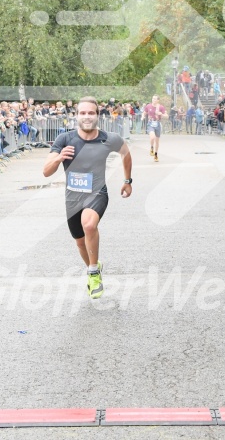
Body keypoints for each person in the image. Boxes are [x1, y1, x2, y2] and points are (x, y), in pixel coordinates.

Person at [43, 97, 132, 299]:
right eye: (82, 113)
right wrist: (58, 158)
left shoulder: (110, 138)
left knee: (89, 225)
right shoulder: (64, 140)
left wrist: (127, 180)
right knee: (80, 242)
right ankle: (94, 267)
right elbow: (46, 172)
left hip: (97, 191)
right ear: (76, 116)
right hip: (73, 197)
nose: (87, 116)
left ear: (97, 115)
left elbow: (126, 154)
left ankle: (93, 273)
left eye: (91, 113)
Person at [142, 94, 167, 162]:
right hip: (150, 123)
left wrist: (161, 114)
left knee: (157, 141)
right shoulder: (148, 106)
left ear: (158, 100)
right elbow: (144, 112)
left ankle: (156, 155)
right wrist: (142, 116)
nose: (153, 100)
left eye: (155, 99)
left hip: (158, 123)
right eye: (153, 98)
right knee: (152, 137)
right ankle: (151, 148)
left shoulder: (161, 107)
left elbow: (166, 116)